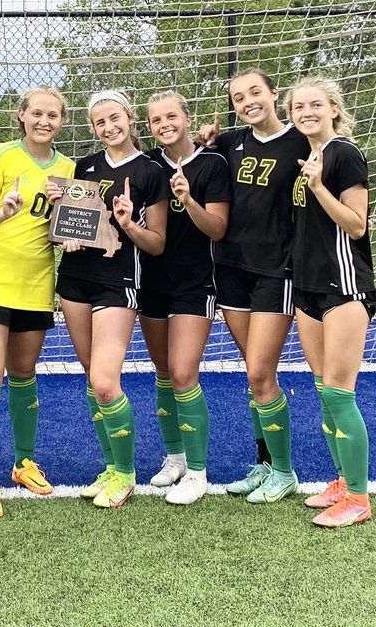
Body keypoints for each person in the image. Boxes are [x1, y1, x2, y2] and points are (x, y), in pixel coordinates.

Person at [0, 87, 74, 519]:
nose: (44, 121)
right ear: (22, 116)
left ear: (62, 121)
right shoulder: (1, 157)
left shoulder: (68, 169)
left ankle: (23, 463)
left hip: (36, 281)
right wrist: (4, 212)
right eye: (37, 113)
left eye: (53, 115)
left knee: (24, 372)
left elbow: (65, 233)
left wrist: (72, 232)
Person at [198, 68, 310, 504]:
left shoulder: (301, 141)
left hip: (275, 272)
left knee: (260, 371)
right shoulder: (229, 144)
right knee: (255, 375)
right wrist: (207, 136)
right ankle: (264, 463)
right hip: (230, 269)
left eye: (255, 92)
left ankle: (284, 471)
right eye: (238, 97)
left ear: (273, 94)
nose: (248, 102)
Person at [57, 90, 168, 509]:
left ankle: (126, 474)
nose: (109, 127)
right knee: (92, 378)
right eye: (100, 122)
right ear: (93, 128)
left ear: (129, 118)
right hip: (75, 280)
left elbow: (156, 244)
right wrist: (64, 227)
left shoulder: (150, 170)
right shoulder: (84, 166)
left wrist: (127, 223)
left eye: (115, 118)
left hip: (118, 281)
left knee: (105, 380)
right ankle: (109, 465)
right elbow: (75, 225)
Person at [287, 76, 376, 528]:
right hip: (306, 288)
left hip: (343, 287)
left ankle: (359, 498)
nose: (307, 111)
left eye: (315, 105)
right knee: (325, 391)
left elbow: (356, 225)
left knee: (341, 394)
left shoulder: (344, 154)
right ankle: (342, 482)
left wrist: (320, 186)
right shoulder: (305, 156)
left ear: (334, 109)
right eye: (298, 106)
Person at [139, 91, 231, 506]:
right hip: (151, 281)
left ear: (188, 118)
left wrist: (187, 199)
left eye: (171, 116)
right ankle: (174, 457)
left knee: (182, 372)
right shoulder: (147, 166)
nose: (164, 124)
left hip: (196, 283)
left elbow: (217, 228)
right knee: (162, 372)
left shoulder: (213, 164)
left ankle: (197, 472)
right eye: (156, 120)